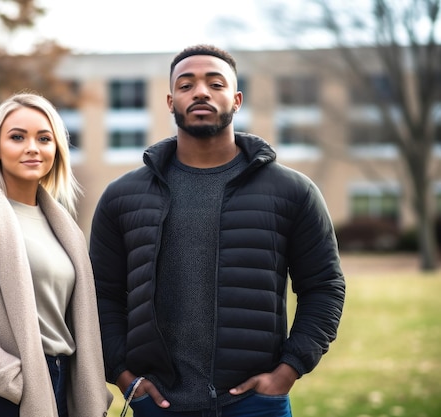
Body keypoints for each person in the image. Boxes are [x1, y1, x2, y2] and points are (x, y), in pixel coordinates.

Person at [89, 44, 346, 417]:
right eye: (187, 84)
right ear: (170, 100)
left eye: (215, 83)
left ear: (237, 99)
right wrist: (124, 375)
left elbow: (324, 287)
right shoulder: (123, 196)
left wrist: (288, 370)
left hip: (254, 403)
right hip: (157, 403)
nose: (201, 92)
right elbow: (101, 295)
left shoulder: (292, 191)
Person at [0, 92, 112, 417]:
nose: (33, 147)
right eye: (17, 137)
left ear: (56, 149)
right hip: (0, 390)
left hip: (59, 381)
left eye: (44, 138)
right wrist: (15, 380)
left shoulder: (62, 226)